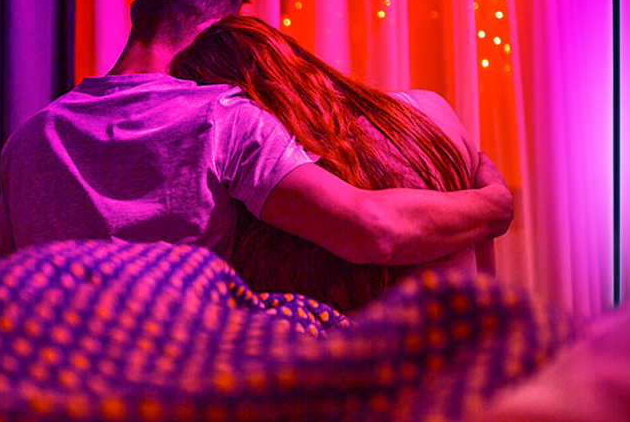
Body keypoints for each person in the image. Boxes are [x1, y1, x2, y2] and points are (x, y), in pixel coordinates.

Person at [0, 0, 512, 275]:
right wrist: (493, 205)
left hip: (59, 389)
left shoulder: (30, 138)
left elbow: (9, 282)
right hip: (183, 388)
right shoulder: (221, 119)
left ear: (138, 11)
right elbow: (374, 231)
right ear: (220, 28)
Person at [170, 16, 501, 311]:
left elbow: (375, 231)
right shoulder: (429, 108)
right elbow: (484, 261)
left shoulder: (298, 193)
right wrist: (496, 203)